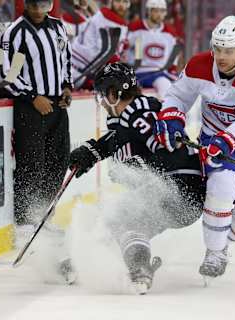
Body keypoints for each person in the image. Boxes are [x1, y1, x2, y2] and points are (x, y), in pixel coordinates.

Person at [153, 15, 235, 281]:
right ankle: (214, 252)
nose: (221, 56)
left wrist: (229, 138)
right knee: (223, 186)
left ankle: (222, 242)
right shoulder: (199, 65)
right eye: (217, 48)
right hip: (213, 140)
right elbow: (177, 95)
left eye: (229, 50)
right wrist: (173, 116)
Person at [68, 62, 205, 293]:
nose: (101, 102)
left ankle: (139, 267)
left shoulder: (141, 111)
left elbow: (160, 142)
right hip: (181, 195)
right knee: (121, 222)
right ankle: (113, 262)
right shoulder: (130, 118)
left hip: (178, 189)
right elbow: (118, 139)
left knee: (121, 218)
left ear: (113, 94)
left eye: (102, 95)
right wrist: (90, 152)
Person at [0, 0, 75, 283]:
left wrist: (67, 86)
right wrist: (33, 97)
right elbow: (7, 76)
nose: (40, 6)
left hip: (57, 108)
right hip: (31, 109)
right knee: (32, 165)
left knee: (58, 163)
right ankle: (25, 226)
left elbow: (66, 58)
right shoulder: (15, 32)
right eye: (35, 2)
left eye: (45, 2)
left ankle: (44, 217)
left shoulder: (58, 27)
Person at [70, 0, 129, 88]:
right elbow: (107, 53)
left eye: (124, 2)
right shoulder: (107, 18)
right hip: (76, 69)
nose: (121, 5)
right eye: (118, 1)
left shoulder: (116, 20)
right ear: (111, 2)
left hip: (82, 70)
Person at [127, 0, 178, 100]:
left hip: (158, 73)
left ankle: (166, 114)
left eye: (162, 11)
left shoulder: (170, 33)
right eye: (156, 11)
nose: (159, 14)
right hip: (137, 73)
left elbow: (173, 57)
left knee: (166, 89)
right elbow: (123, 49)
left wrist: (172, 70)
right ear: (149, 11)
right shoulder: (135, 28)